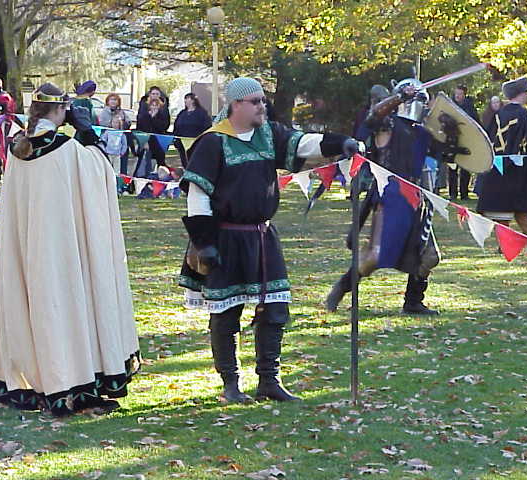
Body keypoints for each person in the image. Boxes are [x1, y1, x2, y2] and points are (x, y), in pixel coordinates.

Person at [178, 77, 359, 404]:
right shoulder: (213, 141)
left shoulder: (268, 133)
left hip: (262, 236)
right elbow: (198, 193)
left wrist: (340, 143)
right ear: (236, 105)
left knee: (275, 309)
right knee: (226, 313)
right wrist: (204, 242)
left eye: (263, 100)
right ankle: (231, 385)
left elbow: (304, 143)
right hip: (224, 237)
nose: (263, 106)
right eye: (256, 101)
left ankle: (269, 381)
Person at [0, 83, 141, 417]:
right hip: (62, 249)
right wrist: (88, 135)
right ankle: (67, 382)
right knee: (62, 307)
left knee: (32, 305)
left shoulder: (18, 149)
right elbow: (102, 176)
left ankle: (34, 378)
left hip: (26, 245)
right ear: (62, 110)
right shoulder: (66, 148)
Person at [326, 79, 466, 316]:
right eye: (416, 99)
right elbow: (372, 118)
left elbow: (450, 155)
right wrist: (399, 97)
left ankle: (413, 302)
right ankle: (341, 287)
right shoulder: (388, 124)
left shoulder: (423, 132)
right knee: (374, 257)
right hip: (390, 196)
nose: (420, 104)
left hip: (416, 198)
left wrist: (452, 131)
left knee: (429, 256)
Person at [477, 77, 527, 254]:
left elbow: (487, 136)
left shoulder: (498, 114)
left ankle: (504, 245)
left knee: (501, 210)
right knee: (522, 209)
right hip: (519, 168)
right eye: (526, 93)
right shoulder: (523, 114)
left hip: (498, 167)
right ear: (521, 94)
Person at [448, 85, 479, 200]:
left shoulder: (470, 108)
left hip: (466, 140)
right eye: (456, 93)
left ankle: (464, 193)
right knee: (452, 167)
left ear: (464, 95)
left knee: (465, 168)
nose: (457, 96)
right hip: (452, 140)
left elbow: (475, 123)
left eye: (460, 94)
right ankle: (453, 193)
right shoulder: (450, 106)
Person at [98, 93, 130, 192]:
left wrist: (121, 123)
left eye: (115, 100)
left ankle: (119, 187)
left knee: (118, 170)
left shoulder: (122, 112)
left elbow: (128, 123)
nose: (113, 102)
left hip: (118, 151)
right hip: (108, 150)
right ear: (108, 101)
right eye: (111, 99)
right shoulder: (104, 112)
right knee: (107, 169)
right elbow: (102, 126)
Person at [173, 93, 212, 167]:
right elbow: (176, 126)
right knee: (185, 161)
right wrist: (176, 139)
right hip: (182, 142)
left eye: (188, 98)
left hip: (196, 142)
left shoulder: (201, 113)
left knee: (196, 162)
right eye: (185, 98)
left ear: (193, 100)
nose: (185, 100)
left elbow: (207, 126)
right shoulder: (182, 113)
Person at [137, 86, 170, 168]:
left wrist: (154, 118)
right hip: (146, 138)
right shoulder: (143, 108)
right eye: (153, 94)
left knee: (160, 162)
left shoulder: (164, 109)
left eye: (157, 94)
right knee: (144, 163)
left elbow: (165, 125)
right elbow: (140, 124)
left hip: (158, 138)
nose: (155, 96)